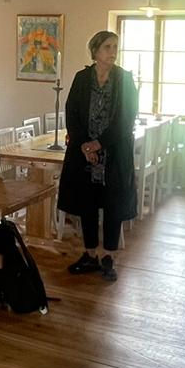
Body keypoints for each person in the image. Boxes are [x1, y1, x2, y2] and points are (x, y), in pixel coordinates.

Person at [57, 30, 138, 282]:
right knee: (87, 204)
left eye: (115, 47)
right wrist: (84, 146)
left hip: (113, 153)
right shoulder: (82, 78)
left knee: (113, 205)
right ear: (95, 51)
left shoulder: (125, 80)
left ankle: (109, 257)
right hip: (84, 155)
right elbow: (72, 112)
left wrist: (98, 144)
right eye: (107, 47)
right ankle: (90, 253)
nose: (113, 52)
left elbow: (126, 118)